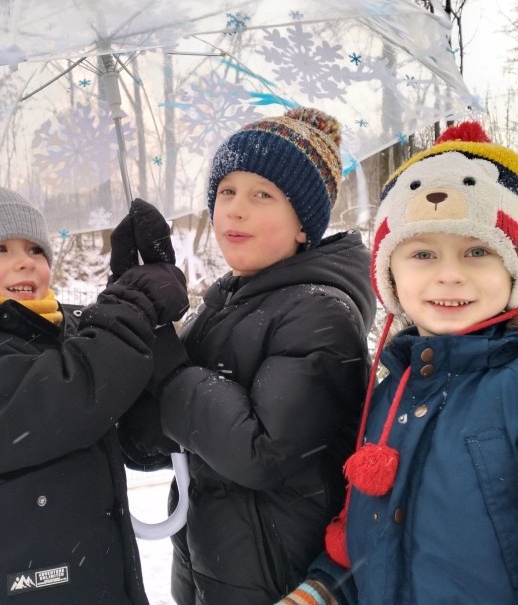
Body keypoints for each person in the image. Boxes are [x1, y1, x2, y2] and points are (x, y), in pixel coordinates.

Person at [0, 180, 189, 605]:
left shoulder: (70, 340)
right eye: (0, 248)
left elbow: (139, 435)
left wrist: (151, 320)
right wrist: (132, 303)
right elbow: (63, 400)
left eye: (36, 249)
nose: (25, 262)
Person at [120, 107, 377, 605]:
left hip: (281, 580)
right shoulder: (223, 304)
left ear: (303, 225)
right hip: (208, 565)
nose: (236, 210)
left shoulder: (320, 313)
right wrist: (135, 311)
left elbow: (260, 453)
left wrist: (167, 364)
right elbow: (156, 443)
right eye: (227, 192)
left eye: (262, 195)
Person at [279, 121, 518, 605]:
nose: (449, 275)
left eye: (477, 251)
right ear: (390, 274)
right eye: (423, 253)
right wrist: (322, 590)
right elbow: (370, 541)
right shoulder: (391, 393)